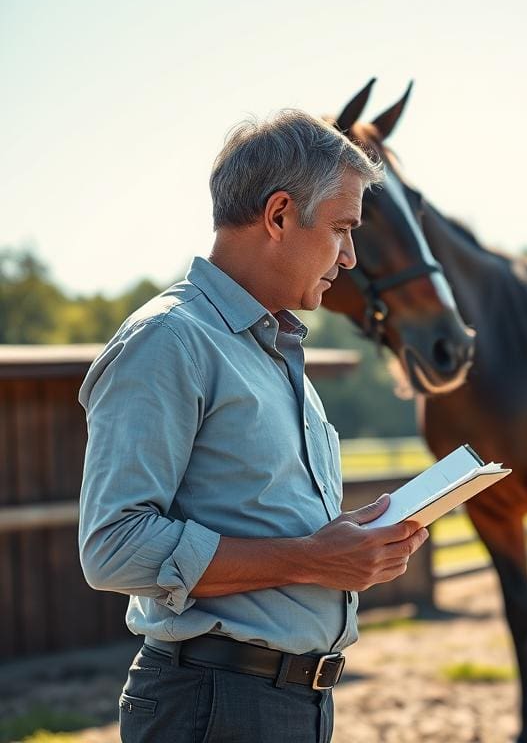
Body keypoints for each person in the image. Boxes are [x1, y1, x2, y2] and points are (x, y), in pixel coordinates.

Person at [78, 110, 429, 743]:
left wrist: (345, 541)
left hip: (288, 704)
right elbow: (113, 548)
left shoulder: (274, 350)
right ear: (279, 215)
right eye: (343, 229)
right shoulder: (170, 341)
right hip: (213, 706)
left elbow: (263, 519)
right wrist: (310, 561)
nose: (350, 257)